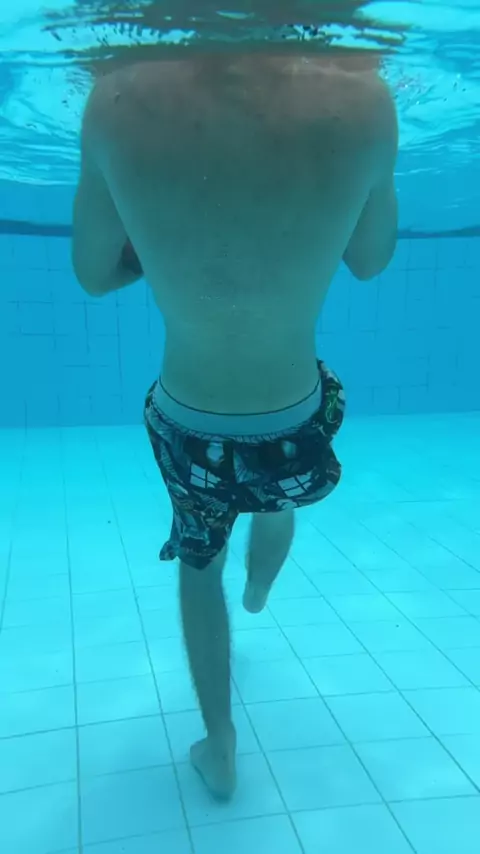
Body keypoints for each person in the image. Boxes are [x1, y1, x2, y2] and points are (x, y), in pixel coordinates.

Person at [72, 50, 398, 799]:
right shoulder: (362, 94)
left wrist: (164, 251)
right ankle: (259, 592)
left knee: (199, 563)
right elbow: (370, 260)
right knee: (275, 496)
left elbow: (93, 274)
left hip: (190, 420)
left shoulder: (116, 94)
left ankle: (220, 745)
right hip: (295, 414)